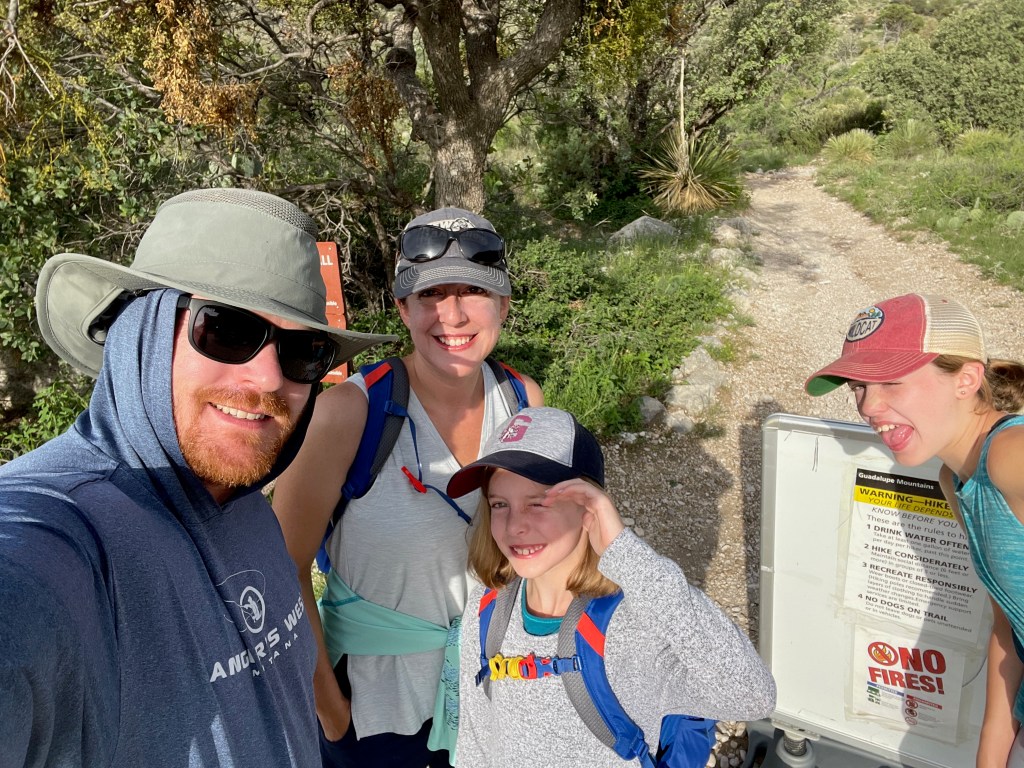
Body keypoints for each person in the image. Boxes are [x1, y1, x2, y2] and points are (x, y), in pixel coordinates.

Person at [0, 188, 395, 768]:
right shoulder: (59, 540)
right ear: (139, 329)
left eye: (302, 351)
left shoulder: (243, 498)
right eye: (227, 330)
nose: (268, 378)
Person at [272, 207, 544, 767]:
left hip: (495, 691)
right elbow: (279, 567)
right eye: (430, 295)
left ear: (503, 304)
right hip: (375, 713)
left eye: (473, 291)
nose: (452, 315)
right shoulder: (349, 415)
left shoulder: (523, 402)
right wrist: (332, 713)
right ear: (402, 307)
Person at [448, 406, 777, 767]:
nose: (514, 526)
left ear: (589, 505)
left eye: (538, 503)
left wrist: (626, 554)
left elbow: (752, 696)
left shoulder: (633, 625)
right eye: (499, 504)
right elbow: (477, 739)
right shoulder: (488, 608)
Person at [805, 293, 1024, 768]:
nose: (869, 406)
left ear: (967, 379)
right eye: (858, 387)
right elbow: (1009, 628)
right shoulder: (955, 480)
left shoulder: (1011, 456)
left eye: (890, 381)